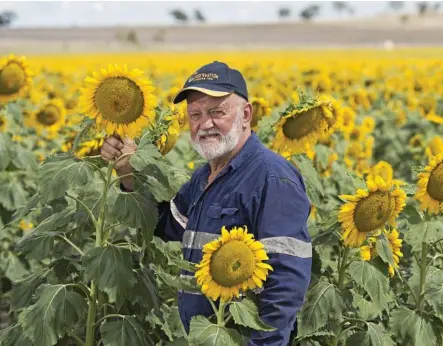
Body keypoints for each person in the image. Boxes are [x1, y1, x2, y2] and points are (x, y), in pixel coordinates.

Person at [101, 61, 313, 346]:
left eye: (217, 112)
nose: (205, 124)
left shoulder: (271, 178)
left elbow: (286, 284)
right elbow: (166, 224)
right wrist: (128, 171)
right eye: (196, 115)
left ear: (246, 114)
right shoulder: (205, 175)